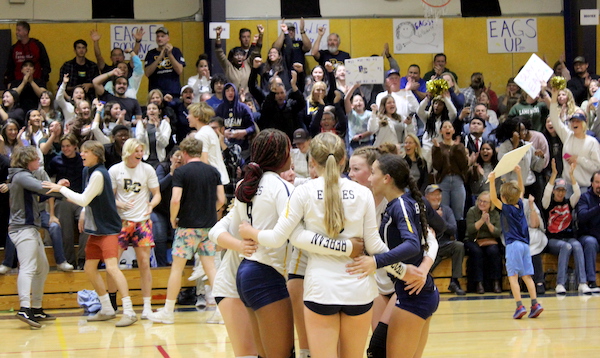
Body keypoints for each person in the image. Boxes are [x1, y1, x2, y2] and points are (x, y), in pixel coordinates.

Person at [239, 132, 390, 358]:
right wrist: (405, 270)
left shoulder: (303, 192)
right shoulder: (363, 193)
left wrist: (251, 232)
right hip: (358, 289)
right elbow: (375, 245)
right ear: (343, 160)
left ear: (311, 162)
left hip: (321, 289)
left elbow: (279, 238)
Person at [43, 140, 138, 327]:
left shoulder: (100, 174)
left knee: (111, 267)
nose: (82, 154)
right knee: (89, 268)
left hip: (109, 228)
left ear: (95, 153)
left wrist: (61, 189)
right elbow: (88, 197)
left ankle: (129, 311)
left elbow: (84, 199)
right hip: (96, 229)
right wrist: (66, 189)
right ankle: (107, 308)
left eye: (85, 151)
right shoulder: (88, 171)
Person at [148, 136, 224, 324]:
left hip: (187, 227)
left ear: (184, 153)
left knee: (177, 268)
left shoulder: (181, 172)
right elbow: (221, 199)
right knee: (211, 268)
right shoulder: (213, 171)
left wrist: (174, 218)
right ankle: (221, 312)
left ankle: (167, 311)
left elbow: (175, 200)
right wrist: (209, 211)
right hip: (208, 227)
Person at [107, 138, 160, 318]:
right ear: (128, 152)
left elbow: (157, 194)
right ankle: (112, 303)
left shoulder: (147, 169)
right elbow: (109, 198)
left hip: (142, 221)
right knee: (113, 264)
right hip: (121, 222)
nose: (139, 154)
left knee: (144, 263)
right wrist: (119, 204)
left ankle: (146, 306)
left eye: (141, 151)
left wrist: (151, 206)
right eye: (136, 151)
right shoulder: (115, 170)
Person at [8, 146, 61, 328]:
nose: (39, 162)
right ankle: (24, 308)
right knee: (29, 267)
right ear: (26, 160)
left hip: (29, 228)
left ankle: (36, 308)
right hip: (22, 228)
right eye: (36, 159)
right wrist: (60, 189)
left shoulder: (22, 175)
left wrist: (58, 187)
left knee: (42, 268)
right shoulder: (22, 176)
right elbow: (43, 190)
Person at [488, 166, 543, 319]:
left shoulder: (506, 208)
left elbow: (493, 199)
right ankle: (535, 303)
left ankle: (519, 306)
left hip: (513, 245)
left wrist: (492, 181)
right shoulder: (520, 205)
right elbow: (522, 190)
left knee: (513, 277)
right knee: (527, 276)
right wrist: (519, 173)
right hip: (526, 245)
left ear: (504, 198)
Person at [542, 159, 590, 294]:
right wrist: (554, 175)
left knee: (577, 245)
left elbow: (578, 194)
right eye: (558, 190)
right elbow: (546, 192)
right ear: (554, 191)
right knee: (566, 247)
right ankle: (560, 284)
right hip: (553, 240)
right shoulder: (547, 204)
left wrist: (572, 176)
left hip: (568, 237)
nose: (561, 193)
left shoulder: (569, 203)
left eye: (563, 190)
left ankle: (582, 283)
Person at [549, 89, 600, 192]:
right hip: (567, 186)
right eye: (572, 121)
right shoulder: (567, 136)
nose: (574, 123)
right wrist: (554, 96)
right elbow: (554, 118)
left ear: (584, 124)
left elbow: (597, 167)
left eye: (578, 121)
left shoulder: (592, 142)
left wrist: (578, 159)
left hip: (585, 187)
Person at [426, 184, 466, 295]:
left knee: (459, 246)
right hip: (427, 246)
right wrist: (433, 218)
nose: (436, 197)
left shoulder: (447, 210)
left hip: (443, 245)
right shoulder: (422, 210)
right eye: (433, 194)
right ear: (427, 197)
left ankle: (454, 281)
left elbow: (453, 229)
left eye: (438, 194)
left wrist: (440, 220)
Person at [465, 191, 503, 294]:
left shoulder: (495, 213)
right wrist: (481, 221)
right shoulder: (472, 211)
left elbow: (497, 232)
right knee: (476, 252)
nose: (482, 203)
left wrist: (488, 223)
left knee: (494, 251)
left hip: (489, 240)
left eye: (485, 202)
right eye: (480, 201)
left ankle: (495, 282)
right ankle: (479, 283)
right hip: (473, 240)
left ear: (491, 204)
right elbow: (470, 230)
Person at [431, 121, 469, 222]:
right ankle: (444, 237)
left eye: (449, 127)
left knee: (459, 214)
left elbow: (463, 165)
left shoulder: (459, 146)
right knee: (443, 212)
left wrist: (457, 149)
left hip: (457, 181)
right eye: (445, 127)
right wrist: (437, 149)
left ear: (453, 131)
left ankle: (458, 236)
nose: (447, 129)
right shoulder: (437, 146)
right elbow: (437, 166)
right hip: (443, 181)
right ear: (441, 131)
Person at [187, 102, 230, 187]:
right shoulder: (209, 130)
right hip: (220, 178)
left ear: (197, 117)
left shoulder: (201, 135)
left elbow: (204, 162)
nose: (187, 117)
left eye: (189, 114)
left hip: (212, 181)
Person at [4, 21, 51, 89]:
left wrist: (43, 80)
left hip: (36, 82)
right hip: (18, 82)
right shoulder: (14, 48)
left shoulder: (37, 45)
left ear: (26, 32)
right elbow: (10, 67)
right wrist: (10, 82)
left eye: (19, 30)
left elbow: (46, 64)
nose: (16, 32)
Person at [215, 26, 261, 91]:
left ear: (244, 57)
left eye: (241, 55)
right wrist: (218, 36)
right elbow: (219, 52)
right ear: (232, 57)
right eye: (236, 55)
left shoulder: (247, 64)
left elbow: (256, 51)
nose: (239, 57)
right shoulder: (228, 67)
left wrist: (261, 35)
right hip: (232, 97)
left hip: (247, 97)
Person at [144, 27, 186, 98]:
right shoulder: (151, 53)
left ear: (168, 38)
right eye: (158, 36)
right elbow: (147, 73)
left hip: (173, 92)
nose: (159, 39)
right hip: (156, 93)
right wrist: (160, 57)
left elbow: (179, 70)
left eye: (162, 36)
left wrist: (170, 54)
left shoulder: (176, 51)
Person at [577, 170, 600, 293]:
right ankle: (591, 281)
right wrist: (598, 208)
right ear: (591, 183)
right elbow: (582, 217)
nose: (599, 185)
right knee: (590, 242)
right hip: (588, 235)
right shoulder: (584, 197)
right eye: (597, 182)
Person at [135, 102, 171, 168]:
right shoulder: (141, 124)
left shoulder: (164, 124)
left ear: (159, 111)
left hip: (159, 160)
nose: (151, 110)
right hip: (144, 159)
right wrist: (144, 129)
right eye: (149, 109)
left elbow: (164, 144)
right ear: (147, 112)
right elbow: (139, 142)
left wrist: (158, 129)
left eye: (154, 108)